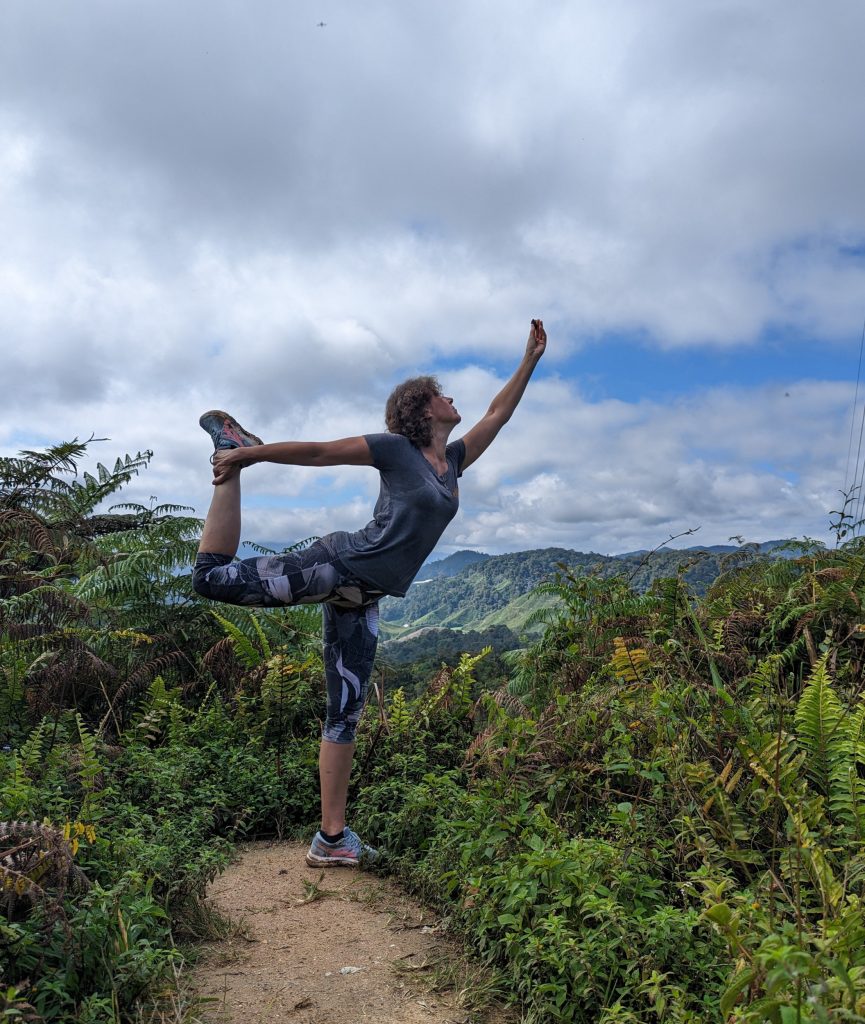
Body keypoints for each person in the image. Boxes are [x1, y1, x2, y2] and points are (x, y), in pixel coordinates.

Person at [192, 319, 547, 867]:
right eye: (441, 393)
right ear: (423, 409)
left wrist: (529, 361)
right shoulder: (395, 449)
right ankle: (228, 449)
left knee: (345, 713)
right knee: (212, 580)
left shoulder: (451, 463)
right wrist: (250, 458)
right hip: (336, 565)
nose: (453, 398)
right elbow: (320, 453)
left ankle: (331, 840)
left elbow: (496, 414)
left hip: (363, 599)